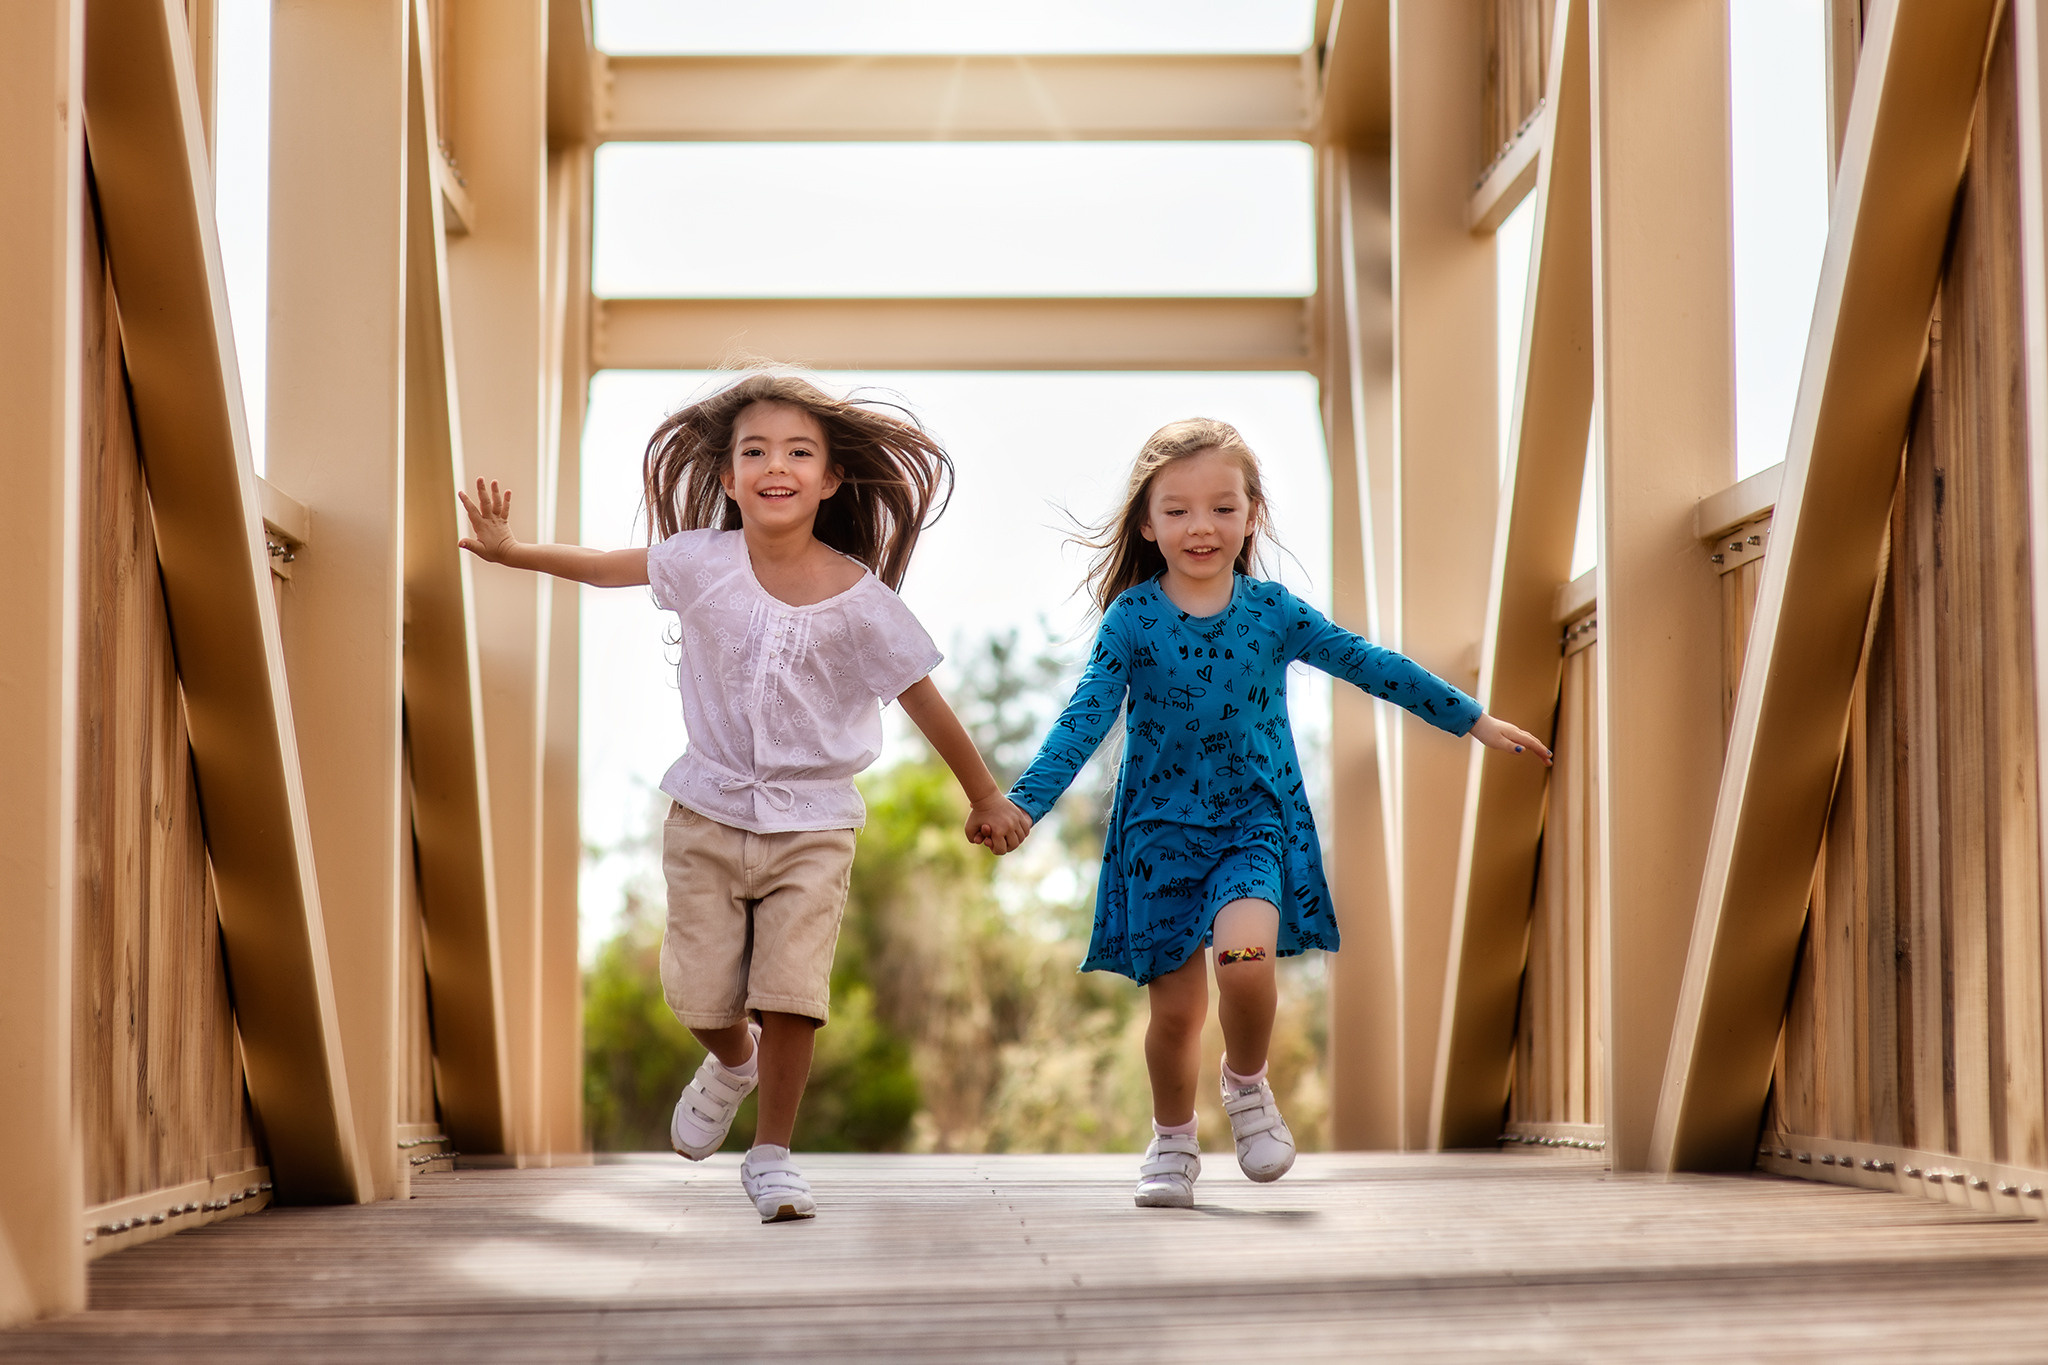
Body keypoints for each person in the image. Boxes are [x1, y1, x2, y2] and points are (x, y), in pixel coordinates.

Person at [459, 370, 1030, 1223]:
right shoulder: (701, 563)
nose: (776, 465)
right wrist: (513, 551)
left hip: (814, 821)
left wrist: (986, 794)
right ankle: (732, 1060)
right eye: (754, 451)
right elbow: (603, 566)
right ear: (727, 477)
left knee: (792, 989)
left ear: (831, 479)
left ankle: (772, 1156)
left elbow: (923, 699)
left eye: (800, 452)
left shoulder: (865, 603)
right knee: (698, 993)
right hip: (708, 809)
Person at [1000, 418, 1550, 1208]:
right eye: (1180, 510)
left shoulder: (1271, 612)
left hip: (1253, 825)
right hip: (1159, 838)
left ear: (1251, 514)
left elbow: (1368, 662)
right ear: (1148, 524)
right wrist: (1025, 805)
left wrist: (1471, 718)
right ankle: (1173, 1139)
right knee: (1177, 1013)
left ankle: (1248, 1085)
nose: (1202, 527)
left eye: (1223, 507)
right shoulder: (1132, 621)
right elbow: (1085, 718)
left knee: (1246, 962)